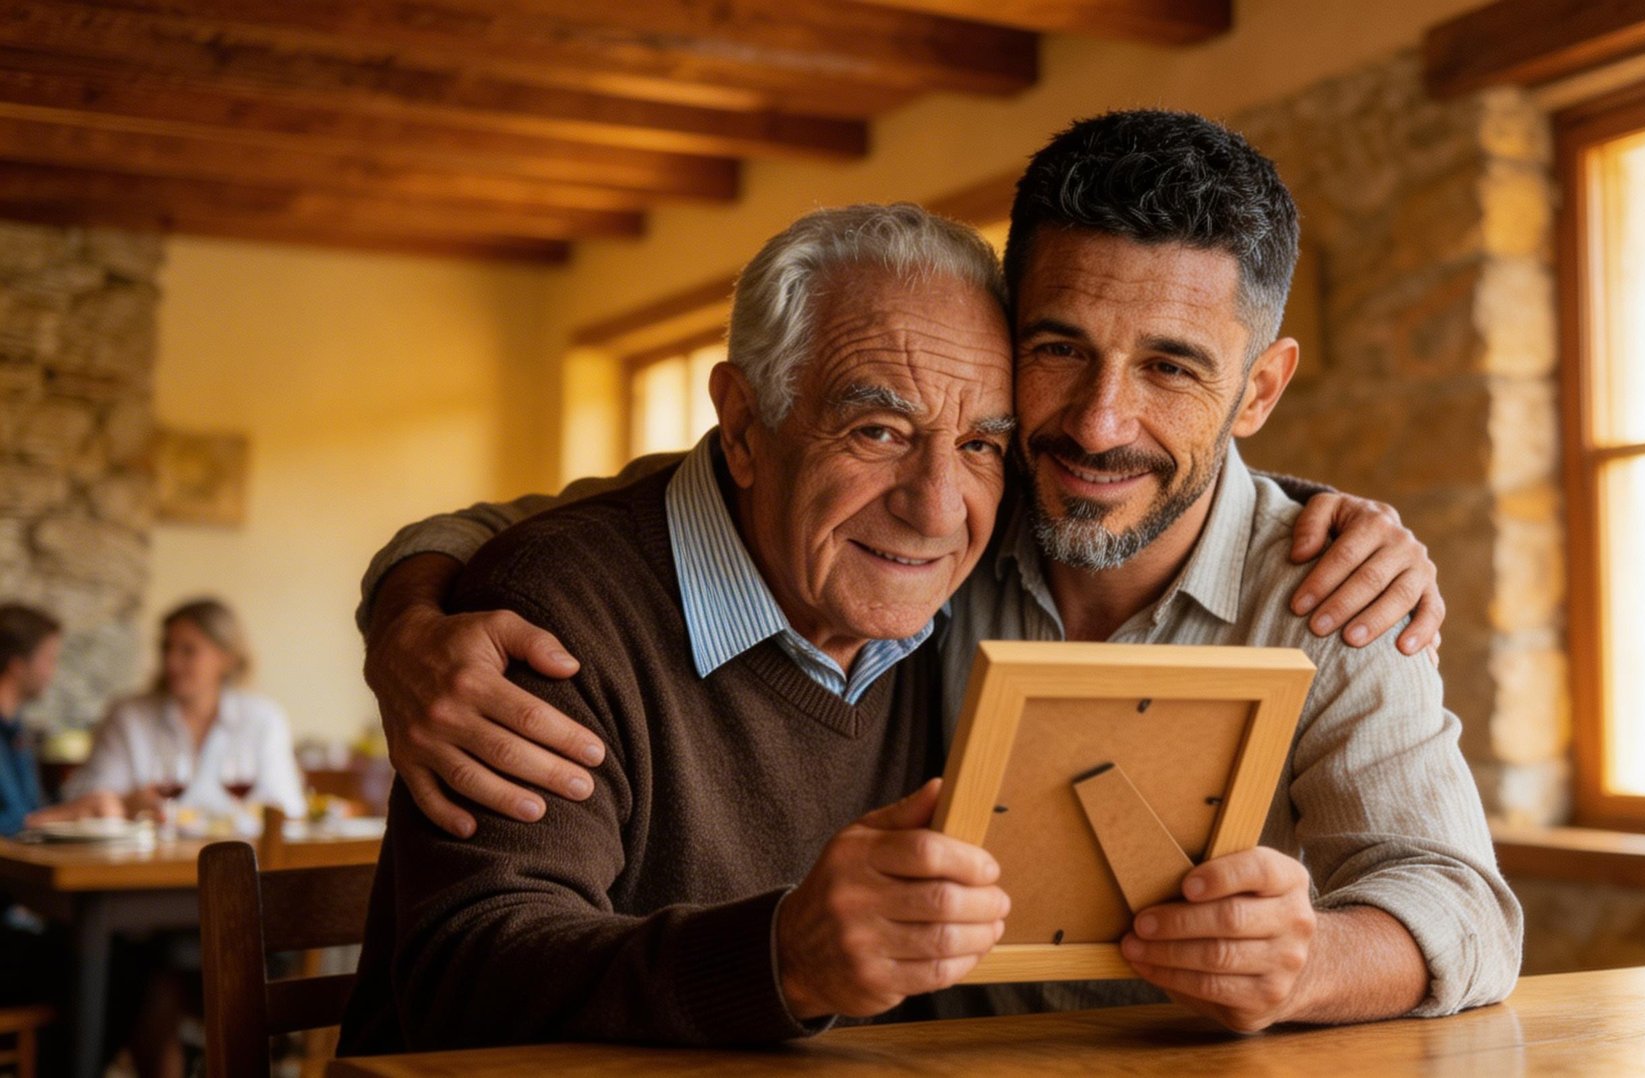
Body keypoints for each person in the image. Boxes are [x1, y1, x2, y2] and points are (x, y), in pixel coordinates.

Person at [353, 111, 1516, 1038]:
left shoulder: (1328, 582)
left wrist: (1304, 962)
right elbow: (653, 513)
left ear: (1259, 391)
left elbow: (1462, 903)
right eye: (1058, 348)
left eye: (1170, 366)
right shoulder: (948, 521)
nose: (1099, 424)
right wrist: (413, 598)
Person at [342, 205, 1023, 1052]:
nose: (936, 507)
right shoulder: (547, 611)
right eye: (877, 430)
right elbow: (465, 977)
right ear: (742, 427)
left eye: (982, 445)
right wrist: (779, 961)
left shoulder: (980, 602)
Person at [43, 598, 304, 824]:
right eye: (166, 648)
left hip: (240, 866)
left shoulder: (263, 718)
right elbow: (85, 800)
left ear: (226, 658)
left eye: (188, 651)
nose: (172, 662)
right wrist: (126, 803)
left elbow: (287, 807)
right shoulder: (128, 717)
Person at [0, 603, 61, 836]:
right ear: (17, 665)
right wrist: (64, 816)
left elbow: (31, 809)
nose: (52, 672)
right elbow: (16, 821)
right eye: (49, 659)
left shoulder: (16, 730)